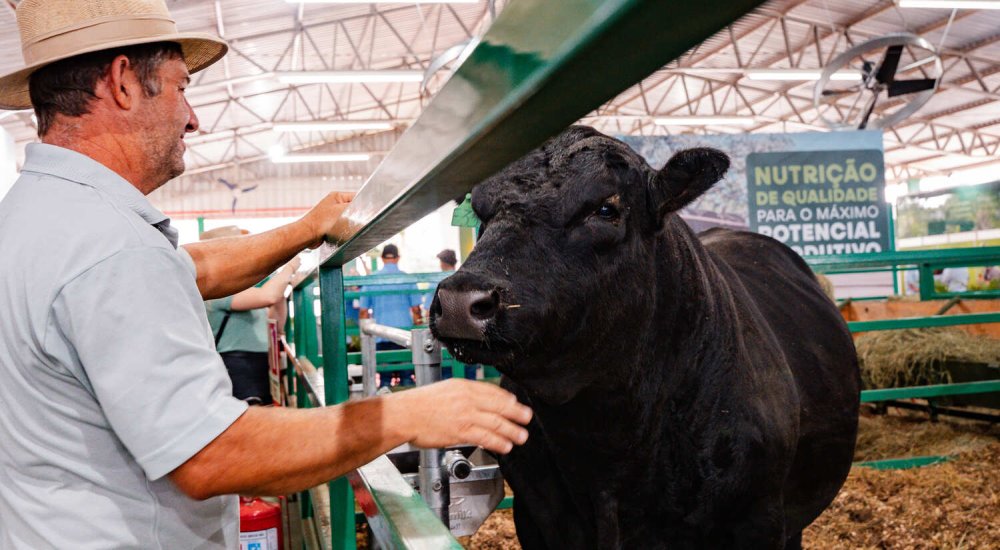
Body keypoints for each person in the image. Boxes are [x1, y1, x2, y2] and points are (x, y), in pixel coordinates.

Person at [0, 1, 531, 548]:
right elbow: (211, 454)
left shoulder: (37, 217)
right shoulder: (110, 248)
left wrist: (307, 228)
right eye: (182, 87)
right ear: (122, 84)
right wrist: (405, 414)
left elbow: (190, 269)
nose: (193, 117)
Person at [202, 225, 300, 405]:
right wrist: (289, 268)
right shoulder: (218, 290)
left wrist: (281, 290)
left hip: (260, 363)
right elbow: (268, 296)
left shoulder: (244, 289)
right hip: (237, 365)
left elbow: (276, 324)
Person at [359, 244, 423, 387]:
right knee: (407, 378)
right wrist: (420, 331)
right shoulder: (408, 279)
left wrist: (364, 333)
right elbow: (416, 310)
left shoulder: (371, 280)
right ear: (398, 258)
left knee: (385, 380)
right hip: (404, 336)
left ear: (382, 258)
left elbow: (363, 312)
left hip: (381, 336)